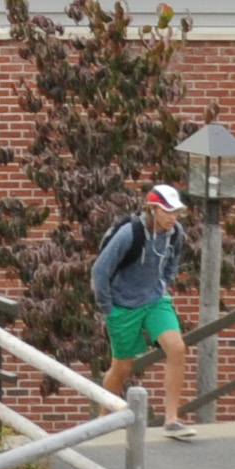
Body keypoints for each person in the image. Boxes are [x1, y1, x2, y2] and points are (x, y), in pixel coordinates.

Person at [94, 181, 193, 439]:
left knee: (177, 348)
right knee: (122, 369)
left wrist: (163, 284)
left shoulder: (176, 233)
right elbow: (100, 271)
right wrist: (108, 308)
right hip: (123, 305)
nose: (173, 217)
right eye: (168, 211)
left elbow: (172, 261)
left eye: (176, 212)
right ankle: (103, 422)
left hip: (154, 300)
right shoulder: (130, 233)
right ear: (153, 210)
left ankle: (172, 419)